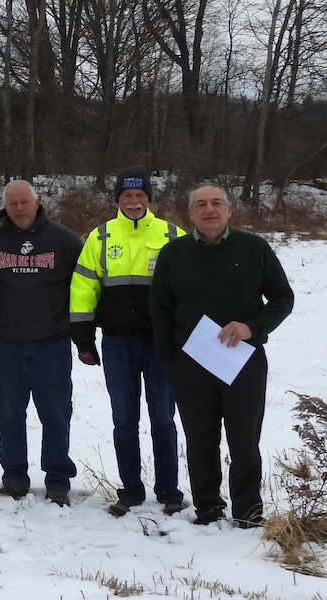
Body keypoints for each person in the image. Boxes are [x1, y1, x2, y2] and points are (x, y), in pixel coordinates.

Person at [151, 184, 294, 528]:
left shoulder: (254, 248)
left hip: (243, 361)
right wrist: (170, 358)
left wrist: (251, 327)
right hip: (191, 364)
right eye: (201, 204)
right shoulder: (174, 254)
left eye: (216, 203)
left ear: (229, 210)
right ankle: (207, 508)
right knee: (200, 440)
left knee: (244, 440)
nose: (209, 209)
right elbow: (159, 309)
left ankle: (247, 512)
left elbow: (282, 298)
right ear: (190, 214)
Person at [69, 165, 188, 517]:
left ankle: (169, 491)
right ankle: (131, 491)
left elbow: (187, 291)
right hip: (118, 343)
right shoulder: (101, 236)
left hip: (161, 345)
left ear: (149, 198)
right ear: (117, 199)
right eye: (126, 195)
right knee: (124, 420)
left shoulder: (171, 234)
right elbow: (83, 289)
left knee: (164, 419)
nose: (133, 201)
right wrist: (83, 338)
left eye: (139, 195)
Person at [0, 181, 83, 506]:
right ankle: (15, 477)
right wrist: (4, 314)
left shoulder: (64, 240)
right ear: (5, 207)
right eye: (13, 203)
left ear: (37, 202)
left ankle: (58, 480)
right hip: (7, 344)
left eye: (24, 201)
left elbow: (83, 286)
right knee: (7, 414)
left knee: (55, 414)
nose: (19, 208)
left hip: (51, 344)